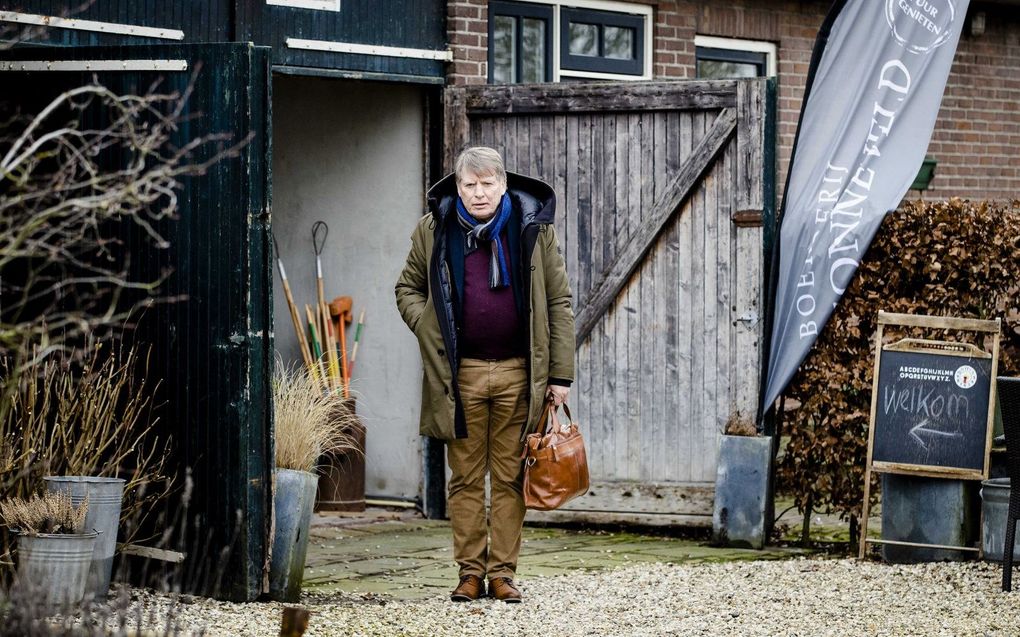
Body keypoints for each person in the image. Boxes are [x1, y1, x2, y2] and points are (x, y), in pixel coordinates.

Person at [395, 146, 575, 603]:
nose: (478, 193)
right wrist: (427, 323)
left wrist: (560, 375)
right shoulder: (435, 229)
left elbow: (558, 302)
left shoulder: (533, 230)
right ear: (458, 187)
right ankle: (470, 572)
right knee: (466, 479)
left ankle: (502, 574)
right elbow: (407, 288)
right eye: (469, 185)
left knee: (512, 477)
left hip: (521, 374)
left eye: (487, 184)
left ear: (502, 185)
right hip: (460, 377)